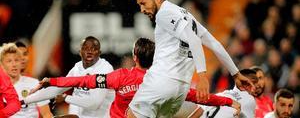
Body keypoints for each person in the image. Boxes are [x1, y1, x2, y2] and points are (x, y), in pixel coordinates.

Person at [127, 0, 254, 117]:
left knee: (131, 114)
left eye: (143, 3)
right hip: (180, 91)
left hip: (160, 82)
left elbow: (194, 40)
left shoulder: (163, 13)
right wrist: (235, 73)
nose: (142, 9)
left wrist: (202, 76)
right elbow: (214, 44)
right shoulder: (186, 15)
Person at [31, 38, 241, 118]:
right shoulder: (165, 82)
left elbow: (84, 81)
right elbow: (198, 96)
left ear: (134, 57)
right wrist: (227, 100)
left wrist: (54, 81)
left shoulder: (120, 77)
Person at [23, 36, 115, 118]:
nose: (89, 51)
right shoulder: (77, 68)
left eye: (94, 49)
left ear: (99, 52)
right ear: (80, 52)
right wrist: (25, 100)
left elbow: (95, 104)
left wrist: (66, 98)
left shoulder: (105, 70)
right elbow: (56, 90)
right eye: (86, 48)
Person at [0, 43, 53, 118]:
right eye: (9, 61)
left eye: (16, 60)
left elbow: (46, 114)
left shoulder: (34, 84)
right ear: (2, 64)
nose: (14, 64)